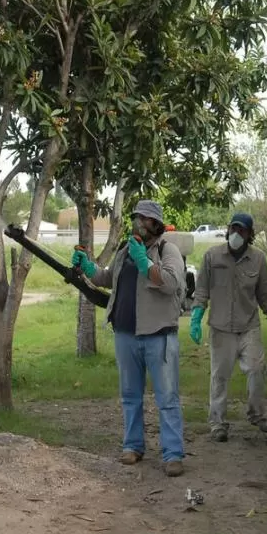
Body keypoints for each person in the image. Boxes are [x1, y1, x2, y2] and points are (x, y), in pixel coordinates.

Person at [71, 200, 187, 476]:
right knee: (130, 396)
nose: (140, 223)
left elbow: (171, 284)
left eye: (145, 219)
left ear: (156, 224)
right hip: (125, 333)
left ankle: (172, 454)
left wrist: (144, 262)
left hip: (159, 336)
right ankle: (133, 446)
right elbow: (107, 278)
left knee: (167, 398)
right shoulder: (125, 249)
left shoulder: (168, 250)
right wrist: (87, 267)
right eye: (137, 217)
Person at [189, 212, 267, 441]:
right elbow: (202, 291)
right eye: (233, 229)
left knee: (256, 370)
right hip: (221, 328)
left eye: (242, 230)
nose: (236, 234)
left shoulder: (258, 259)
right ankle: (218, 424)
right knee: (220, 376)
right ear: (228, 230)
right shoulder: (212, 256)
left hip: (249, 326)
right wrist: (196, 318)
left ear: (249, 234)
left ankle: (257, 415)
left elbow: (265, 295)